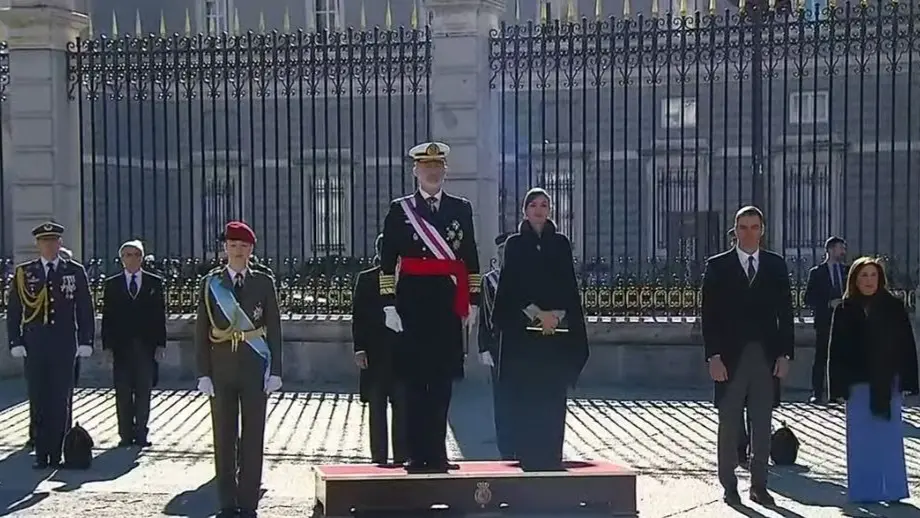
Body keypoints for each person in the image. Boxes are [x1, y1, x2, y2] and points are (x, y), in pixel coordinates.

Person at [378, 141, 481, 473]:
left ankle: (437, 452)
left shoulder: (460, 208)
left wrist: (474, 301)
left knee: (441, 383)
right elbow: (386, 261)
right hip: (411, 305)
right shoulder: (400, 210)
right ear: (416, 171)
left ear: (445, 171)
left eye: (438, 167)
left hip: (447, 304)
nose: (432, 172)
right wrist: (389, 305)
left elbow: (471, 257)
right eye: (427, 167)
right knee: (413, 383)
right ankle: (414, 453)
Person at [701, 206, 793, 506]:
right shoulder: (717, 266)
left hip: (765, 356)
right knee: (728, 423)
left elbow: (786, 315)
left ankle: (759, 484)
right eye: (743, 227)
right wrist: (713, 356)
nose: (749, 233)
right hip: (729, 358)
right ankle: (729, 484)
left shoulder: (776, 266)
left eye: (754, 227)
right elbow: (709, 316)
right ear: (734, 230)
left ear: (762, 230)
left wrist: (785, 354)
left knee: (762, 422)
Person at [491, 188, 589, 471]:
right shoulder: (515, 245)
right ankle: (528, 459)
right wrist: (535, 314)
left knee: (553, 401)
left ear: (550, 210)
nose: (538, 209)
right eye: (533, 204)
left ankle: (551, 459)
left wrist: (556, 316)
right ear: (525, 210)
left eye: (544, 205)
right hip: (525, 340)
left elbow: (568, 286)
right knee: (526, 401)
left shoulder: (560, 244)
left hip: (554, 340)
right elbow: (509, 289)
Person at [195, 221, 283, 518]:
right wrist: (203, 373)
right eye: (233, 246)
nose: (238, 252)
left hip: (255, 366)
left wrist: (277, 371)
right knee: (223, 435)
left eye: (243, 247)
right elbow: (200, 331)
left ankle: (248, 501)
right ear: (225, 249)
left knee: (253, 435)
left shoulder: (263, 282)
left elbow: (274, 329)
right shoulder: (211, 283)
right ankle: (227, 501)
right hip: (221, 368)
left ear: (251, 250)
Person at [827, 256, 918, 503]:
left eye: (873, 275)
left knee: (889, 438)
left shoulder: (893, 306)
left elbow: (907, 345)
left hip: (887, 380)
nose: (868, 281)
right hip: (857, 382)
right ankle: (865, 491)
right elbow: (836, 350)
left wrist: (910, 381)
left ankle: (893, 490)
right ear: (855, 280)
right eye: (863, 276)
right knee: (861, 440)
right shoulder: (844, 309)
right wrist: (836, 386)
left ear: (881, 279)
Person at [7, 222, 95, 469]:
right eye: (44, 242)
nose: (49, 246)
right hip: (34, 344)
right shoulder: (26, 272)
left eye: (53, 241)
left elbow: (85, 308)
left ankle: (58, 452)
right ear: (38, 245)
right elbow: (14, 309)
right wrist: (15, 340)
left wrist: (86, 340)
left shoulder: (74, 271)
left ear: (60, 244)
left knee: (61, 398)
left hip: (64, 343)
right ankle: (42, 452)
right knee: (39, 397)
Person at [101, 239, 167, 447]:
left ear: (142, 258)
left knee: (143, 391)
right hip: (121, 347)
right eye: (128, 255)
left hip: (145, 347)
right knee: (122, 392)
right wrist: (107, 347)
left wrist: (160, 344)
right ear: (121, 259)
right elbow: (107, 318)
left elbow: (159, 316)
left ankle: (141, 433)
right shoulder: (112, 284)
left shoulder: (154, 282)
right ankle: (125, 434)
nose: (132, 259)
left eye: (137, 255)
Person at [352, 234, 407, 466]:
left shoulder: (409, 279)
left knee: (403, 409)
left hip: (404, 356)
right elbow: (359, 317)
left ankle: (403, 457)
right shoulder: (366, 279)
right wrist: (359, 349)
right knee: (377, 408)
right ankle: (379, 458)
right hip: (375, 355)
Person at [477, 232, 514, 460]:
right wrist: (483, 347)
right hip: (497, 346)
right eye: (500, 252)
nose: (502, 256)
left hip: (521, 345)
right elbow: (483, 315)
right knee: (500, 398)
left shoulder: (523, 278)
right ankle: (505, 445)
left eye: (506, 252)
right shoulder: (489, 280)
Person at [804, 236, 848, 404]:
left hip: (844, 321)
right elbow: (809, 298)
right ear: (830, 249)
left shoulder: (846, 271)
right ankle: (817, 392)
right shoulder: (817, 272)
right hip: (825, 321)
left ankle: (838, 393)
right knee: (821, 357)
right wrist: (828, 303)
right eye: (840, 248)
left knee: (842, 358)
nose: (843, 251)